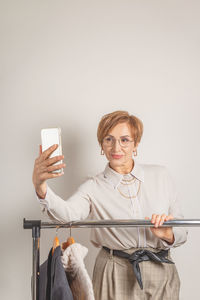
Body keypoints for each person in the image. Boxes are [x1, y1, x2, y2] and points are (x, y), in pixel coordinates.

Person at [32, 110, 188, 300]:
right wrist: (40, 187)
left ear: (136, 144)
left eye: (124, 140)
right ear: (101, 144)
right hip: (115, 270)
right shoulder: (93, 186)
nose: (116, 147)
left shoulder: (161, 176)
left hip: (162, 269)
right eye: (108, 139)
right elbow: (67, 215)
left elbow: (182, 232)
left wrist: (168, 234)